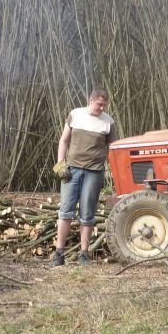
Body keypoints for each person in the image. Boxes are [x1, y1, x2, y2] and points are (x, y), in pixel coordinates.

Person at [51, 89, 118, 266]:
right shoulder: (75, 114)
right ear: (90, 101)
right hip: (71, 170)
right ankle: (59, 254)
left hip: (94, 172)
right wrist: (60, 164)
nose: (101, 108)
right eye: (99, 104)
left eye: (105, 105)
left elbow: (114, 149)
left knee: (87, 214)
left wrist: (113, 171)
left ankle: (84, 254)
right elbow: (63, 141)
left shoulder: (108, 122)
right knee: (66, 211)